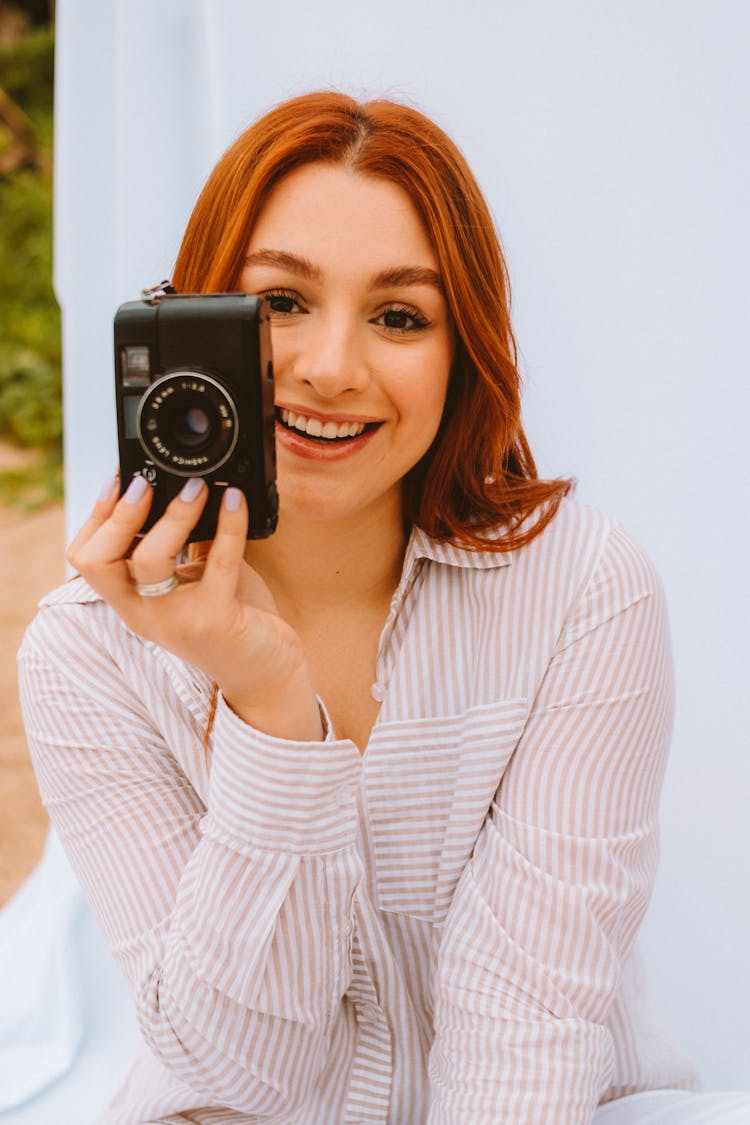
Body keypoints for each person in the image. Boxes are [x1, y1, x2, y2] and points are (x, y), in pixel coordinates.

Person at [17, 91, 746, 1124]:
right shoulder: (85, 654)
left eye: (400, 315)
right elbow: (240, 1076)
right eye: (279, 304)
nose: (330, 368)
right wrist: (267, 704)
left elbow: (523, 1028)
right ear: (196, 325)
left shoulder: (584, 592)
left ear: (465, 354)